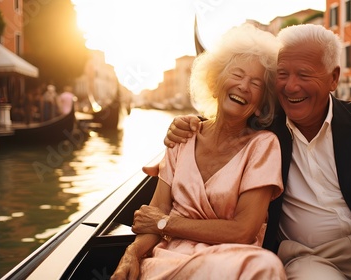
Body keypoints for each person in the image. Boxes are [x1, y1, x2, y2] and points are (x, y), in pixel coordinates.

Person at [159, 24, 351, 279]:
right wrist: (188, 124)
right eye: (282, 74)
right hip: (306, 257)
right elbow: (226, 115)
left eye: (304, 75)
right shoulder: (266, 125)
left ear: (333, 78)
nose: (291, 86)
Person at [111, 23, 286, 280]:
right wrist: (131, 254)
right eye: (237, 75)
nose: (244, 86)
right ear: (215, 83)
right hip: (168, 262)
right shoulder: (183, 137)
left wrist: (166, 223)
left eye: (256, 83)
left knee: (265, 266)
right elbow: (154, 212)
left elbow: (243, 231)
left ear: (261, 104)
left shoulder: (264, 146)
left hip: (234, 264)